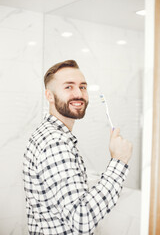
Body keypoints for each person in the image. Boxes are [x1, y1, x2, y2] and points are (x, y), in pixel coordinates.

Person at [23, 60, 133, 235]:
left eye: (83, 87)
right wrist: (119, 161)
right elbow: (82, 219)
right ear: (49, 96)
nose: (79, 94)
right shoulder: (55, 143)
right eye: (68, 87)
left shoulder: (48, 133)